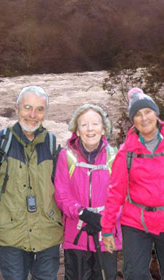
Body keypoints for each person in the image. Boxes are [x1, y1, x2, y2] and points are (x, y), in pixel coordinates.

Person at [101, 88, 164, 280]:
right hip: (135, 221)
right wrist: (107, 229)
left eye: (147, 111)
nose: (144, 118)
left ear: (156, 114)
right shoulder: (126, 152)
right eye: (138, 114)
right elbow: (115, 192)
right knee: (134, 273)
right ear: (133, 120)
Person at [0, 86, 63, 280]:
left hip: (47, 234)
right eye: (27, 107)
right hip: (11, 236)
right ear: (16, 109)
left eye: (39, 109)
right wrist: (3, 213)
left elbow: (61, 187)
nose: (33, 115)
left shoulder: (52, 144)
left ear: (45, 113)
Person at [54, 104, 121, 280]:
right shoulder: (66, 157)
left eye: (95, 124)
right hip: (76, 235)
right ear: (77, 130)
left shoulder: (115, 157)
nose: (90, 129)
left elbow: (122, 196)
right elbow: (61, 194)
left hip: (106, 235)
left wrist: (105, 219)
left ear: (104, 129)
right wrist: (82, 213)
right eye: (84, 124)